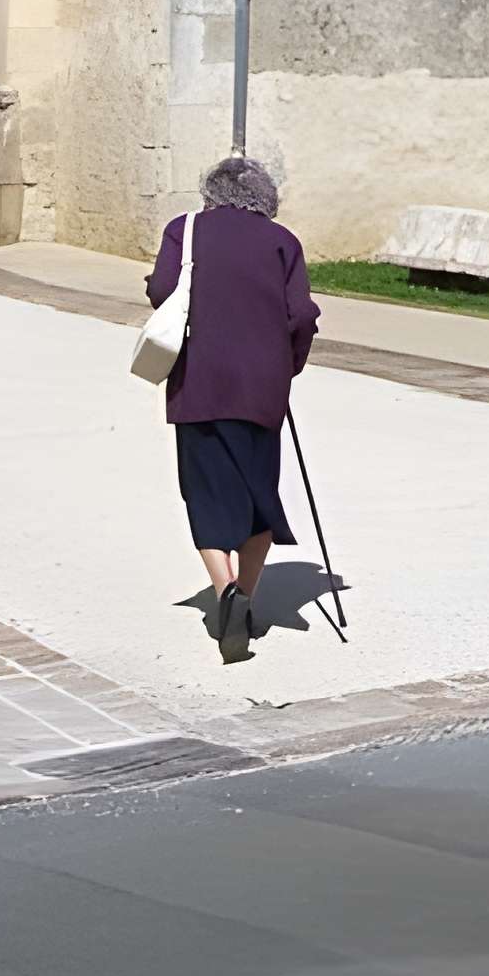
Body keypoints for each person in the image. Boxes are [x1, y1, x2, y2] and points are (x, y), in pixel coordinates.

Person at [144, 155, 321, 663]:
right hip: (261, 386)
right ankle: (247, 590)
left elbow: (161, 291)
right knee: (256, 493)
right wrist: (289, 365)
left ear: (210, 192)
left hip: (198, 380)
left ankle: (225, 592)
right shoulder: (282, 241)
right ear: (265, 198)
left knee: (204, 490)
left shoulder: (186, 230)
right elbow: (302, 315)